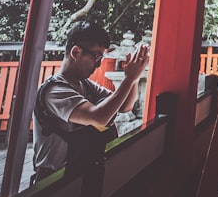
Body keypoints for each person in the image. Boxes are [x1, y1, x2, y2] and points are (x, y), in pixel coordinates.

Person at [31, 23, 149, 183]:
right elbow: (99, 117)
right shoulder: (55, 91)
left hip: (81, 173)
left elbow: (124, 106)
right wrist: (129, 79)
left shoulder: (85, 84)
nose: (99, 64)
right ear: (76, 52)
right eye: (96, 56)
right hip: (55, 180)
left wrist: (133, 79)